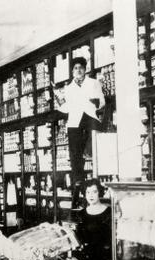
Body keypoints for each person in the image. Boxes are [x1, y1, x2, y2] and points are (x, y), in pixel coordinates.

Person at [55, 57, 105, 208]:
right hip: (75, 120)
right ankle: (78, 182)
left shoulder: (94, 83)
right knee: (75, 154)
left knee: (94, 144)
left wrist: (93, 102)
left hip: (89, 116)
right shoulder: (68, 88)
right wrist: (58, 100)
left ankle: (92, 165)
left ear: (85, 69)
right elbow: (65, 108)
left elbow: (102, 101)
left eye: (81, 67)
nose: (78, 70)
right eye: (76, 68)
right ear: (72, 71)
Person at [75, 179, 112, 260]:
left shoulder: (109, 212)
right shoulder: (81, 214)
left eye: (94, 192)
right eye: (88, 192)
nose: (91, 195)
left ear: (99, 193)